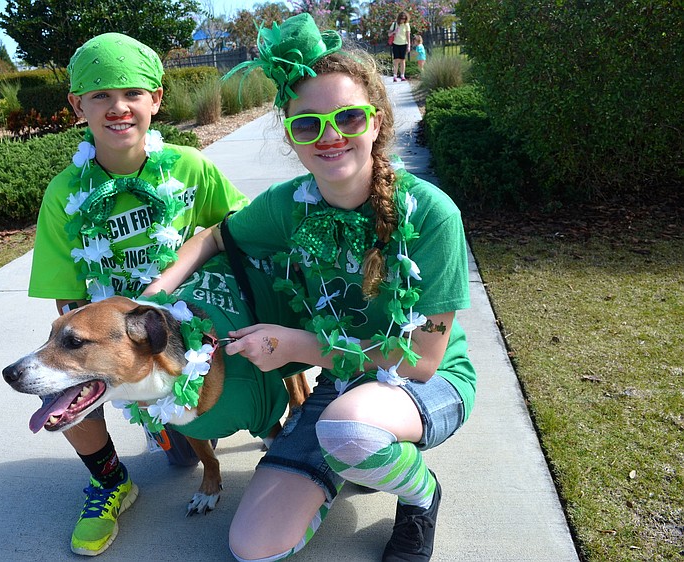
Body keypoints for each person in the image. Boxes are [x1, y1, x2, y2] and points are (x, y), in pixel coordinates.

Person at [144, 13, 476, 562]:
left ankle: (420, 496)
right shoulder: (290, 204)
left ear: (376, 121)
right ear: (291, 134)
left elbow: (419, 362)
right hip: (343, 384)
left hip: (427, 386)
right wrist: (157, 291)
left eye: (347, 117)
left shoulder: (433, 214)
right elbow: (214, 238)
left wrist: (298, 347)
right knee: (252, 545)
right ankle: (357, 452)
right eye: (307, 124)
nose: (329, 137)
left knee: (348, 430)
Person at [26, 32, 248, 556]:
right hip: (123, 344)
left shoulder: (191, 167)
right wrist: (107, 361)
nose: (118, 107)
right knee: (56, 383)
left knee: (204, 434)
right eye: (100, 95)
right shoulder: (65, 193)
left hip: (197, 331)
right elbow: (67, 302)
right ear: (77, 105)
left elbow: (240, 229)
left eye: (132, 93)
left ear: (157, 100)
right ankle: (110, 482)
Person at [389, 11, 412, 82]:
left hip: (403, 44)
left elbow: (408, 36)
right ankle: (395, 76)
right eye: (402, 18)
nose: (403, 20)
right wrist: (394, 32)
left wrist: (409, 46)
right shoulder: (394, 24)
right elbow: (389, 34)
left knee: (402, 60)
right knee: (396, 60)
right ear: (399, 18)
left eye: (405, 19)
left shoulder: (406, 25)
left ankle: (402, 76)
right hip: (395, 44)